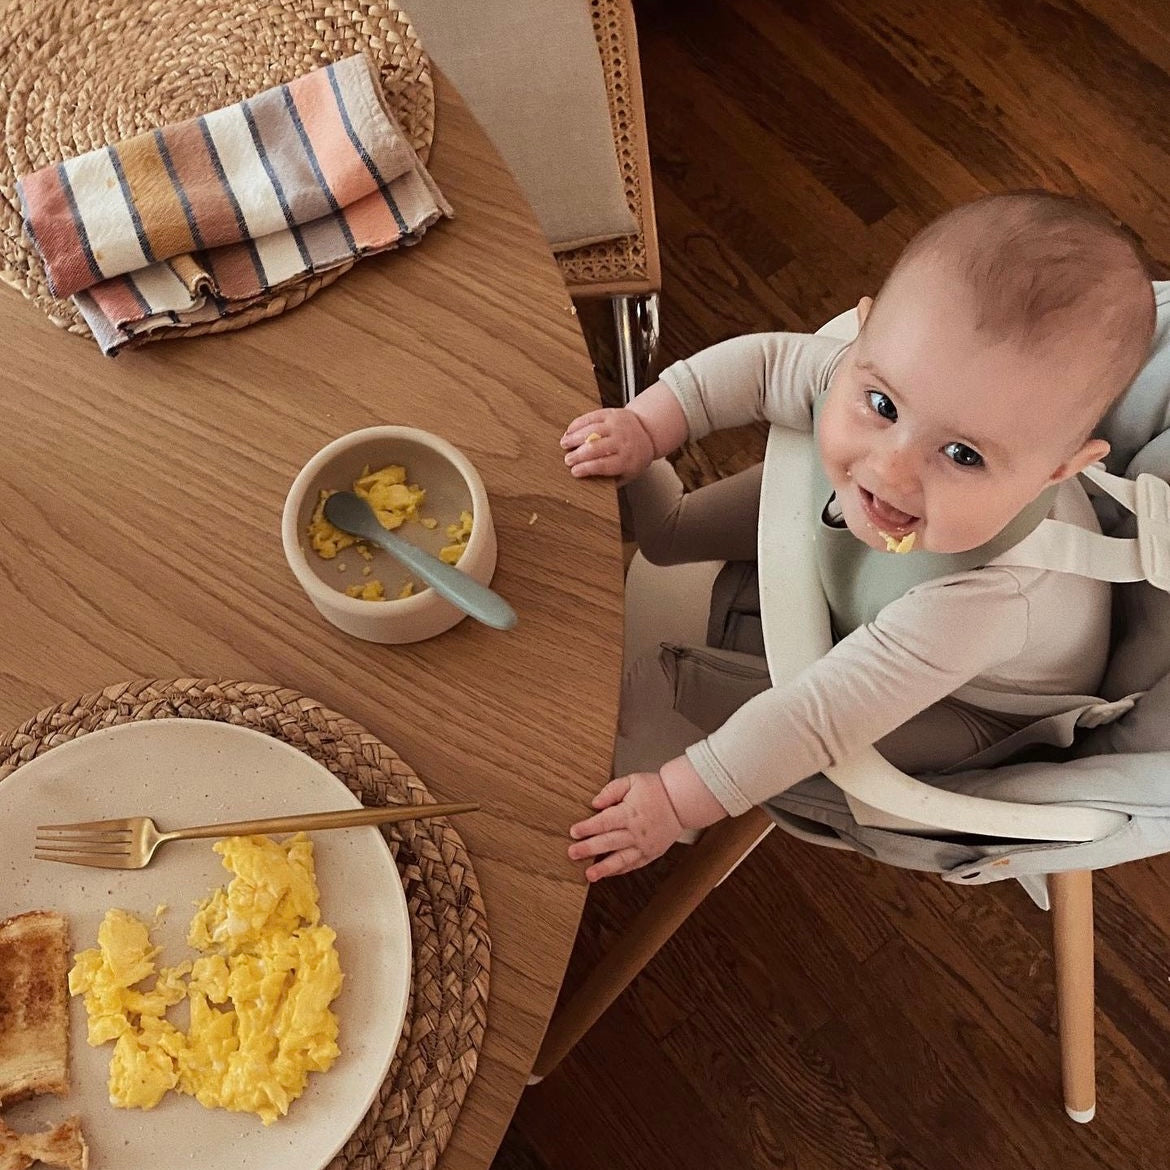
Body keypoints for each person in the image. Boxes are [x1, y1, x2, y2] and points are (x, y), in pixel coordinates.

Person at [560, 191, 1156, 882]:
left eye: (964, 455)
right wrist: (646, 425)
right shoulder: (898, 377)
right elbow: (762, 368)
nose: (890, 470)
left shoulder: (989, 599)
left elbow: (815, 718)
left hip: (967, 707)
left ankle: (668, 687)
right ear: (865, 336)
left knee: (654, 684)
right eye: (881, 406)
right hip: (861, 566)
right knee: (667, 538)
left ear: (1059, 471)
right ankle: (689, 540)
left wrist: (674, 799)